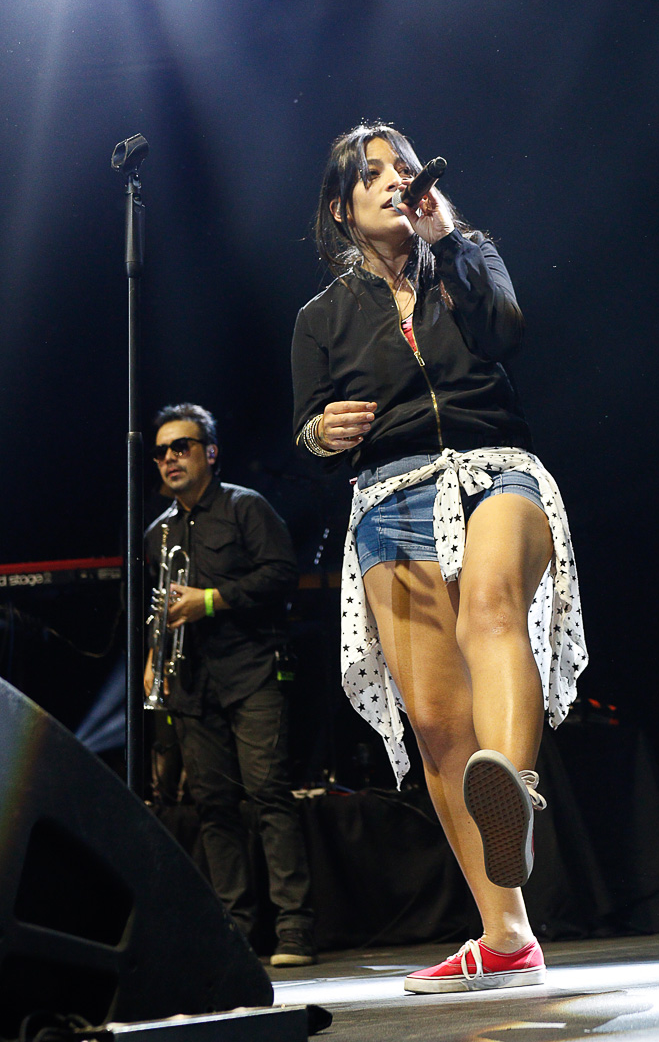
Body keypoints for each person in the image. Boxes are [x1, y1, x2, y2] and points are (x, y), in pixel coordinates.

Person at [291, 123, 587, 992]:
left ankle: (512, 791)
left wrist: (447, 240)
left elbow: (503, 334)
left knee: (492, 608)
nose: (394, 180)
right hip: (389, 496)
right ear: (341, 210)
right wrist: (320, 432)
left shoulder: (464, 258)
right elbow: (305, 431)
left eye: (405, 168)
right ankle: (505, 937)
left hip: (495, 468)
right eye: (372, 173)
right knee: (435, 722)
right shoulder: (318, 318)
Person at [144, 402, 315, 967]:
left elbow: (281, 576)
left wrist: (212, 601)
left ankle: (294, 930)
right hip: (192, 683)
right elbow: (158, 608)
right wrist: (154, 656)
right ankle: (236, 935)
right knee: (213, 806)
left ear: (210, 452)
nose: (170, 458)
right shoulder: (156, 533)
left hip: (251, 671)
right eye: (161, 451)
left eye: (182, 447)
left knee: (268, 797)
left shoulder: (246, 507)